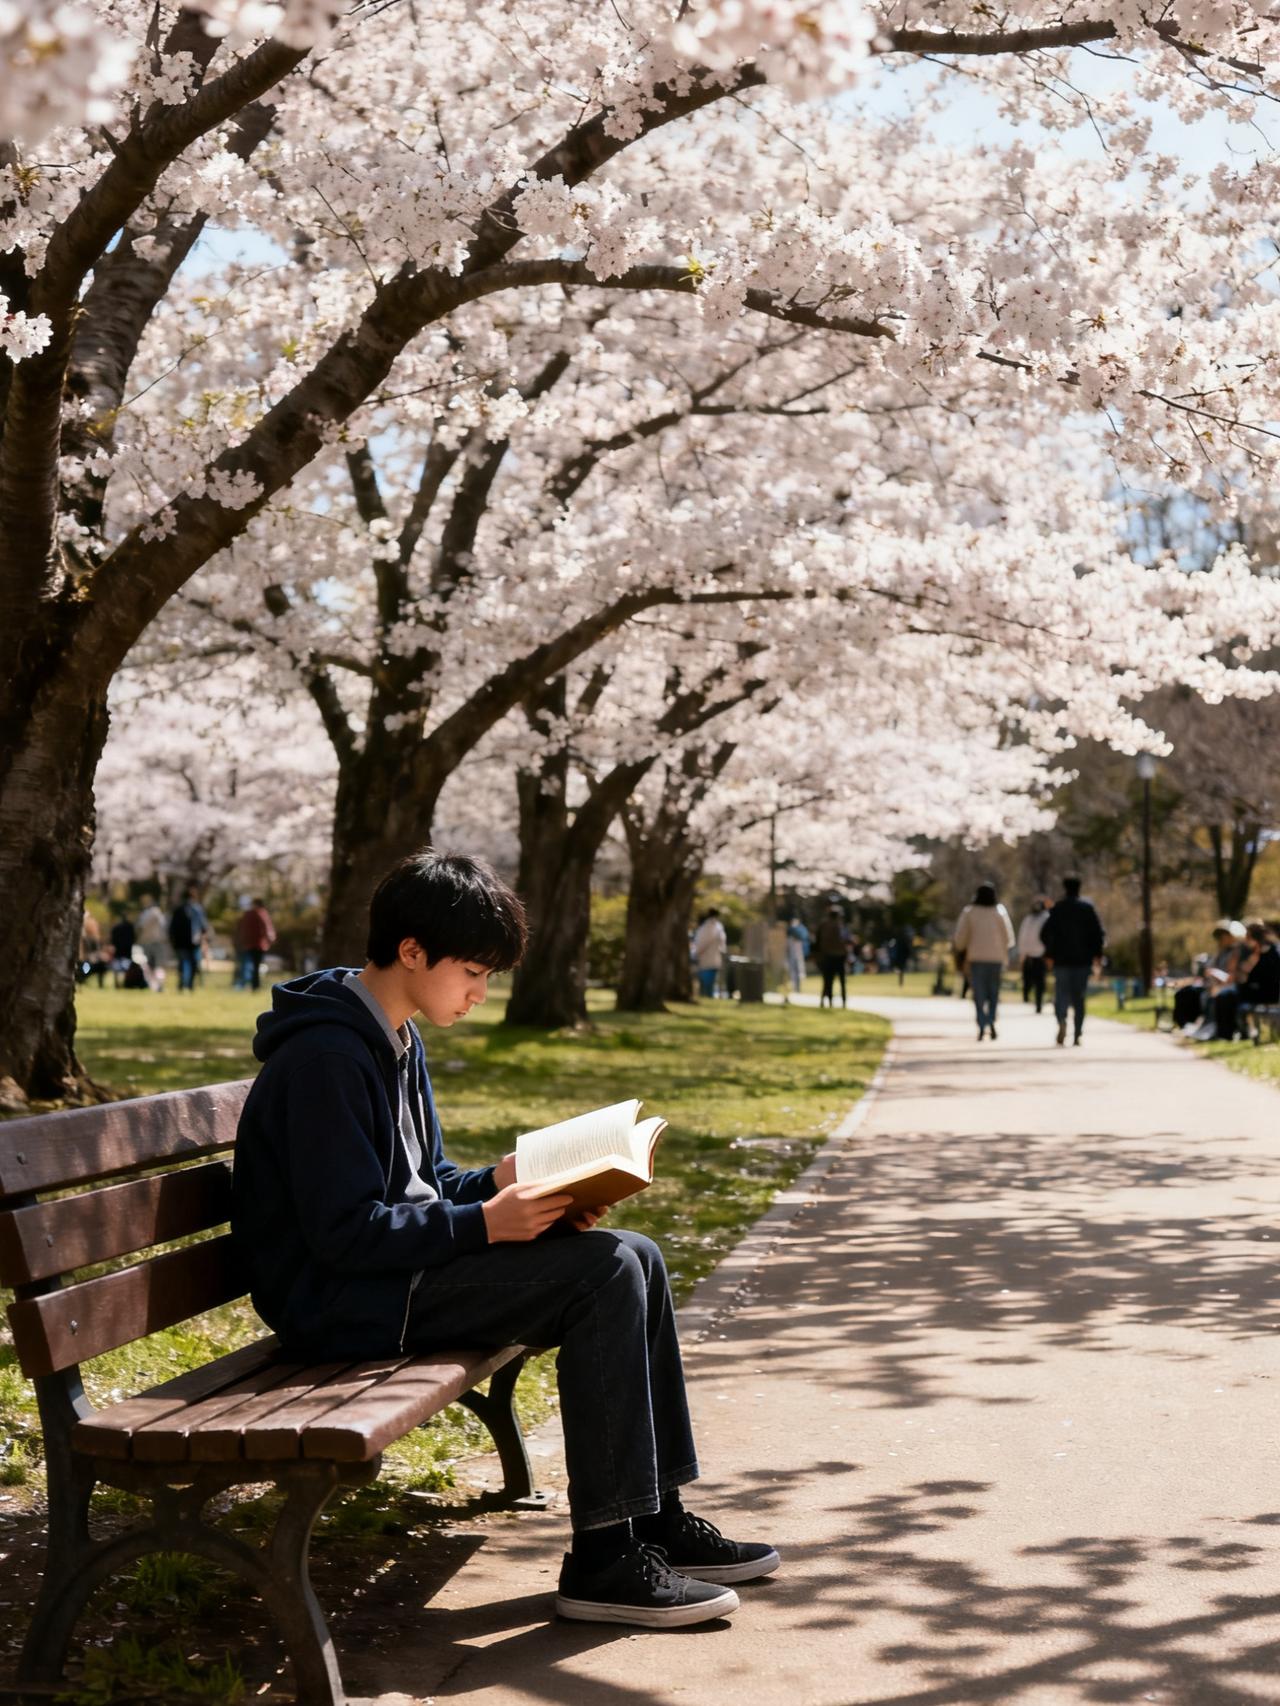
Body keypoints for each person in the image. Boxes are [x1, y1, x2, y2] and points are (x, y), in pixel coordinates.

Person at [232, 850, 778, 1629]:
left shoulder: (391, 1033)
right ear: (412, 951)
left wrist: (497, 1181)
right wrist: (484, 1223)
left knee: (638, 1256)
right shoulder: (327, 1058)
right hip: (341, 1301)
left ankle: (652, 1516)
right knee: (605, 1275)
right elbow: (344, 1233)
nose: (480, 996)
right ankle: (604, 1560)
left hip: (389, 1277)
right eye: (474, 974)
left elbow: (416, 1185)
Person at [1040, 874, 1106, 1047]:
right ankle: (1077, 1033)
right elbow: (1098, 934)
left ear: (1065, 888)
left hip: (1061, 961)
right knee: (1079, 997)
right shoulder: (1087, 909)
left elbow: (1045, 933)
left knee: (1061, 994)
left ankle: (1061, 1019)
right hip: (1082, 961)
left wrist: (1049, 953)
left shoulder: (1057, 909)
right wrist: (1097, 955)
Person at [953, 882, 1015, 1041]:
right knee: (993, 993)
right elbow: (1008, 938)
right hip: (996, 959)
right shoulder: (999, 911)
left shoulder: (969, 912)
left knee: (979, 993)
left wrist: (961, 948)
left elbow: (960, 938)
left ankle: (982, 1024)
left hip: (976, 958)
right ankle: (991, 1019)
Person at [169, 884, 210, 992]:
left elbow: (172, 927)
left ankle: (182, 985)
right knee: (193, 964)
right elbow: (204, 926)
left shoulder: (178, 909)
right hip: (194, 942)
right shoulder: (197, 909)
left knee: (183, 964)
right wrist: (204, 940)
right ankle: (190, 985)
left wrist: (172, 941)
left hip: (180, 942)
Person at [1016, 895, 1050, 1014]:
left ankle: (1037, 1003)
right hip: (1033, 955)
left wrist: (1022, 953)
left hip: (1037, 955)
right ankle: (1031, 999)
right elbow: (1022, 937)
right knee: (1033, 980)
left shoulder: (1042, 918)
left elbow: (1022, 937)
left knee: (1036, 981)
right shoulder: (1031, 919)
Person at [235, 897, 277, 992]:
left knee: (246, 965)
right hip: (259, 945)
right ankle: (255, 986)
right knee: (256, 966)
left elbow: (241, 928)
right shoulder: (262, 913)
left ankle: (245, 984)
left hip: (248, 944)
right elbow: (267, 927)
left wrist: (241, 941)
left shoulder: (248, 914)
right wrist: (270, 939)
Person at [814, 905, 848, 1008]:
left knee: (827, 981)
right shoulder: (840, 926)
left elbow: (817, 942)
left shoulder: (823, 925)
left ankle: (827, 1002)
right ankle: (843, 1002)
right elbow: (845, 940)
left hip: (827, 956)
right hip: (839, 956)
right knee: (842, 981)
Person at [692, 909, 727, 1000]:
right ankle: (707, 999)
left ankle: (706, 999)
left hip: (706, 960)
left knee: (706, 985)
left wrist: (695, 954)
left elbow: (701, 944)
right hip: (714, 960)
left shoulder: (707, 927)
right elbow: (722, 945)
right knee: (709, 984)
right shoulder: (718, 927)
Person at [135, 893, 168, 972]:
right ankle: (155, 981)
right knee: (155, 963)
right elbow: (163, 925)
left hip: (150, 941)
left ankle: (154, 981)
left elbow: (139, 927)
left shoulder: (148, 913)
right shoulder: (153, 912)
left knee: (151, 963)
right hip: (153, 941)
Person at [784, 914, 810, 993]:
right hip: (792, 956)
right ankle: (795, 988)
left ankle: (797, 988)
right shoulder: (790, 936)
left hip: (797, 956)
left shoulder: (800, 934)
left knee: (797, 971)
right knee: (793, 972)